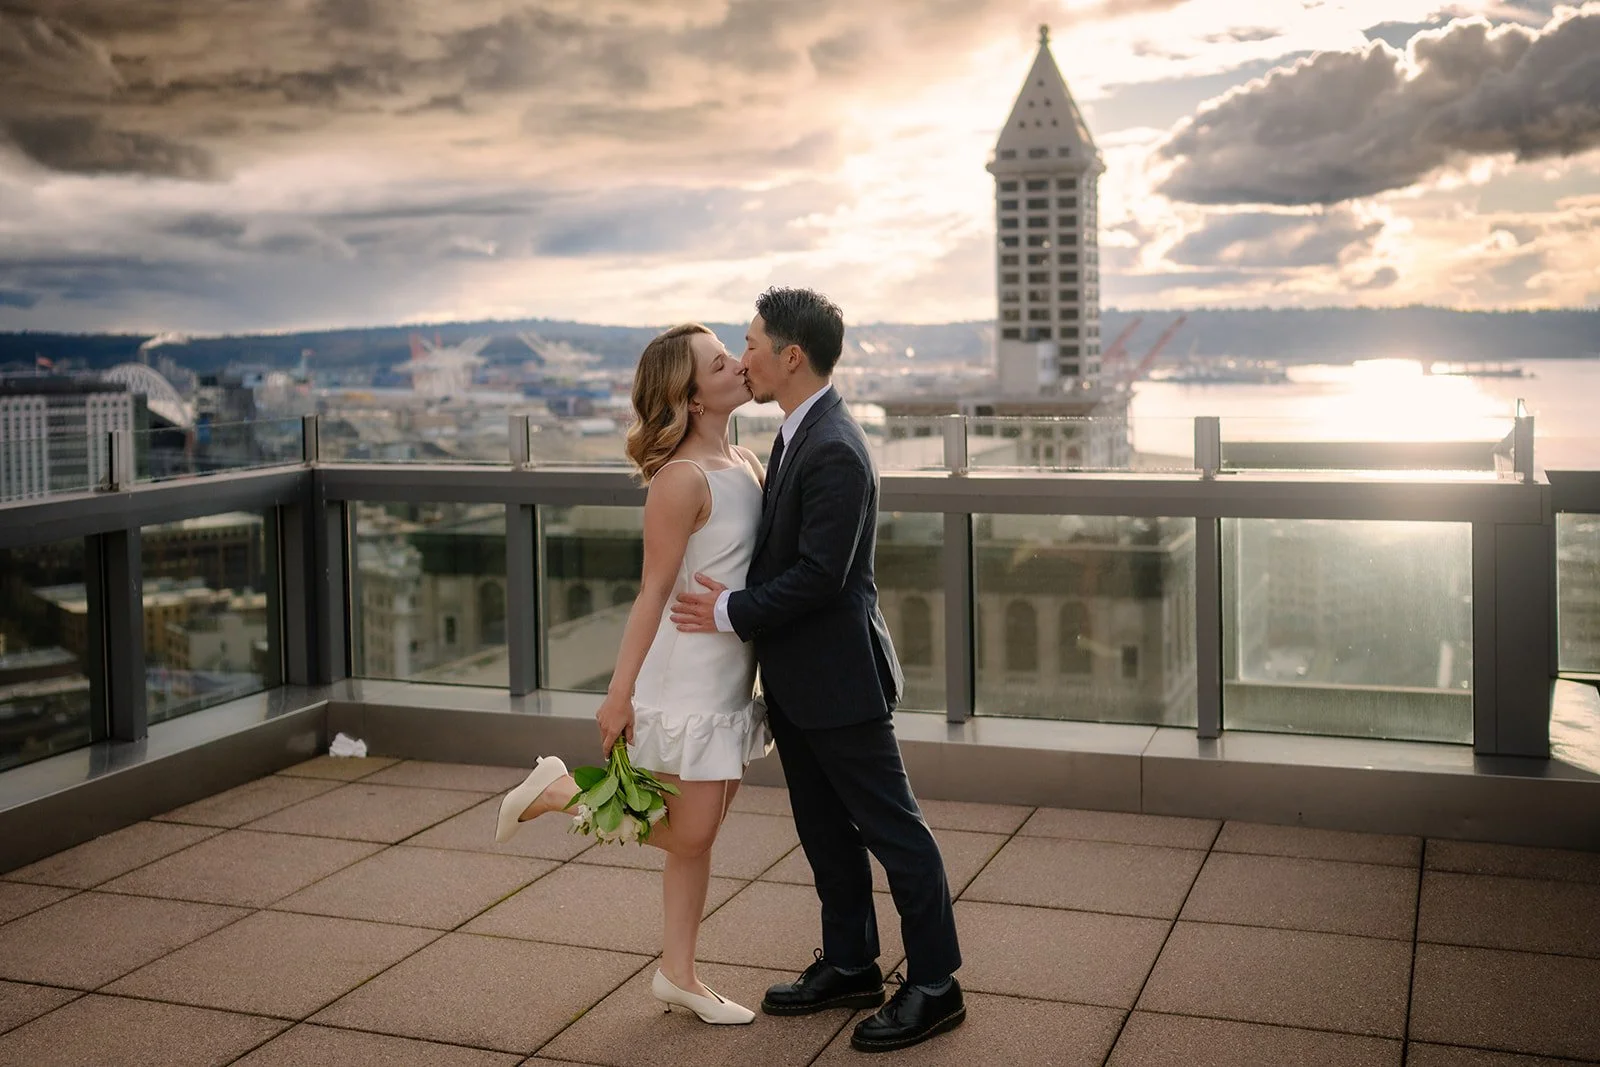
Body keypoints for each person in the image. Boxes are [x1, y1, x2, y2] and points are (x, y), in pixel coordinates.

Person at [670, 287, 966, 1053]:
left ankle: (937, 983)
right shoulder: (799, 429)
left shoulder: (833, 444)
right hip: (801, 680)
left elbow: (819, 576)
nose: (743, 357)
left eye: (752, 343)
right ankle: (851, 962)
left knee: (895, 832)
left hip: (840, 679)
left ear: (791, 355)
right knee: (826, 832)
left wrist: (727, 609)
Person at [494, 322, 771, 1025]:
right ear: (691, 396)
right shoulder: (680, 479)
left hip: (731, 675)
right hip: (686, 679)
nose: (738, 365)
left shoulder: (746, 461)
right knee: (691, 834)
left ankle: (679, 974)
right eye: (718, 362)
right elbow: (651, 591)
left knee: (696, 839)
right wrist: (618, 696)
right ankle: (556, 790)